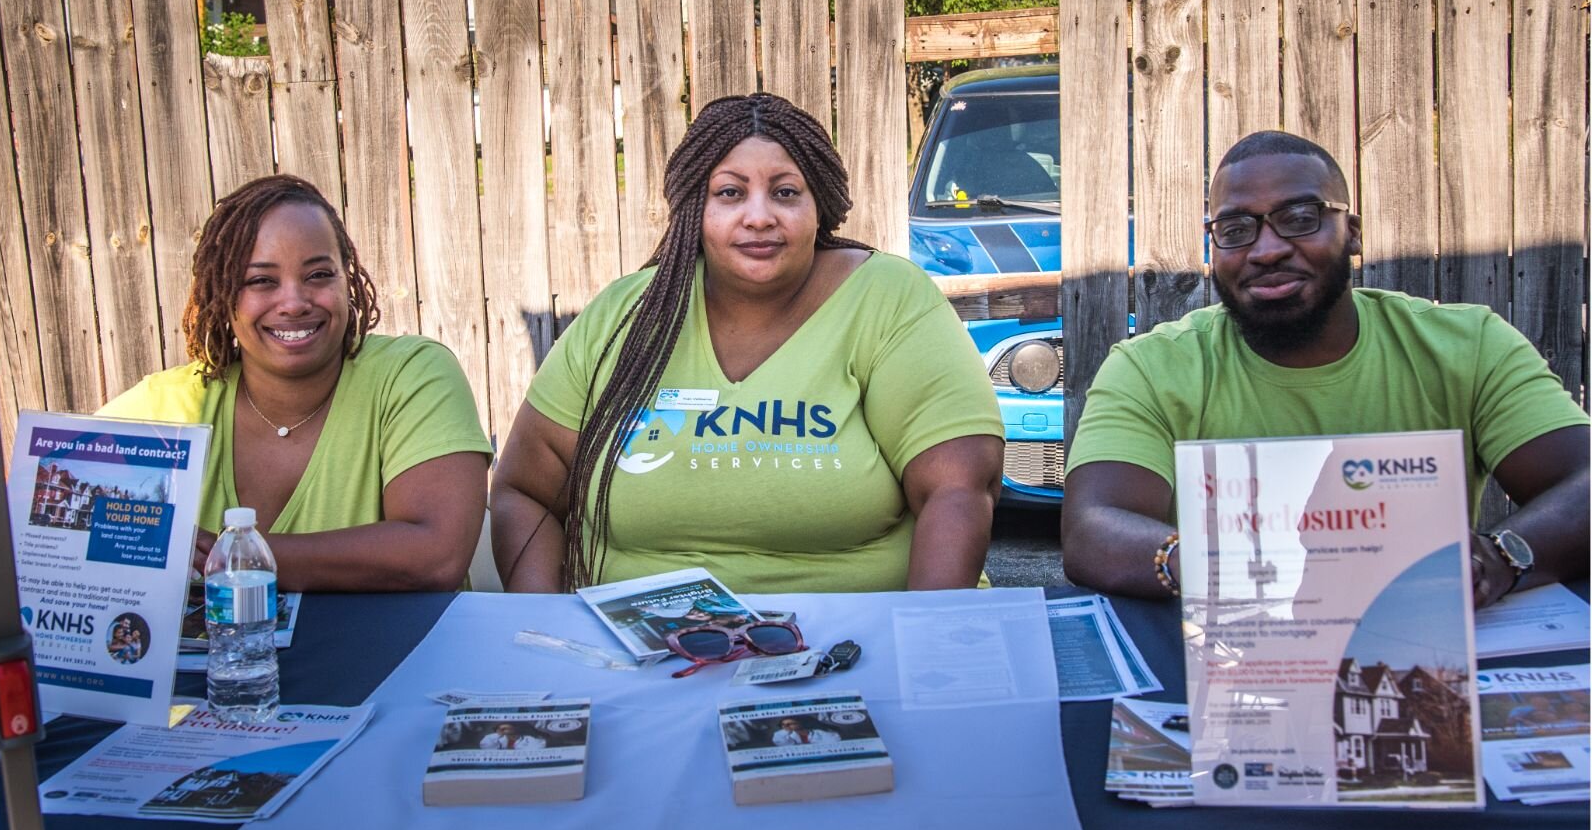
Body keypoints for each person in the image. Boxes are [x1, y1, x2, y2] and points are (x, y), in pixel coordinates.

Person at [490, 93, 1003, 594]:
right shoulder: (625, 315)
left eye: (785, 193)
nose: (759, 217)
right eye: (730, 193)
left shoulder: (887, 299)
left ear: (818, 204)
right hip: (640, 658)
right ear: (696, 207)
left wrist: (929, 648)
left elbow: (958, 489)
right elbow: (525, 491)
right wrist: (546, 634)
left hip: (856, 648)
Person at [1061, 130, 1589, 607]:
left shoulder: (1468, 345)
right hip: (1231, 654)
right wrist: (1231, 568)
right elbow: (1091, 530)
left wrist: (1501, 558)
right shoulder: (1153, 366)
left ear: (1352, 233)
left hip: (1423, 637)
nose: (1266, 250)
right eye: (1236, 227)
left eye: (1299, 218)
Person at [100, 175, 492, 591]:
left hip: (406, 656)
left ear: (348, 281)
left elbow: (435, 555)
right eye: (261, 281)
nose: (294, 303)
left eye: (319, 274)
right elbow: (43, 527)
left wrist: (233, 557)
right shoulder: (165, 407)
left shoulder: (411, 374)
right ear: (222, 293)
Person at [772, 717, 838, 746]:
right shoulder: (781, 734)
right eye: (782, 725)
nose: (785, 726)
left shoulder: (820, 732)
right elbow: (782, 744)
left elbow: (834, 741)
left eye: (789, 724)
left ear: (800, 723)